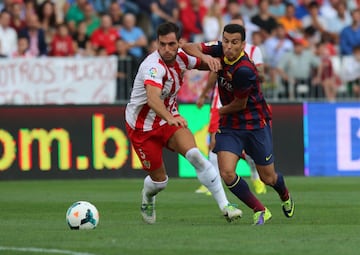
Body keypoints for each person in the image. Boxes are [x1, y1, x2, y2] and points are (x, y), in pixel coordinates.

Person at [125, 22, 242, 224]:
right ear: (157, 43)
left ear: (178, 43)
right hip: (142, 128)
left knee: (196, 155)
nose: (167, 50)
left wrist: (216, 61)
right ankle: (148, 196)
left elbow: (209, 61)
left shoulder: (181, 57)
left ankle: (226, 206)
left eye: (172, 44)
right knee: (159, 182)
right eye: (162, 44)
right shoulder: (152, 67)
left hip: (170, 122)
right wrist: (170, 117)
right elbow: (153, 99)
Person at [182, 24, 295, 225]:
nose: (228, 47)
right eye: (226, 41)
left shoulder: (244, 70)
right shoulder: (219, 50)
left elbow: (239, 104)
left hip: (254, 124)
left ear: (243, 44)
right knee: (226, 172)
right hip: (231, 124)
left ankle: (285, 195)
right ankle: (260, 209)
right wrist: (207, 58)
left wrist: (218, 111)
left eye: (234, 42)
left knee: (267, 178)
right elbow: (187, 46)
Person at [195, 16, 267, 196]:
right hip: (219, 101)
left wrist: (247, 74)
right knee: (213, 141)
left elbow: (261, 74)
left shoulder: (253, 51)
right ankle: (212, 182)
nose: (229, 43)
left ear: (243, 37)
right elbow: (214, 72)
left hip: (243, 103)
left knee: (247, 146)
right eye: (227, 38)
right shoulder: (222, 49)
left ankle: (255, 176)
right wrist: (204, 93)